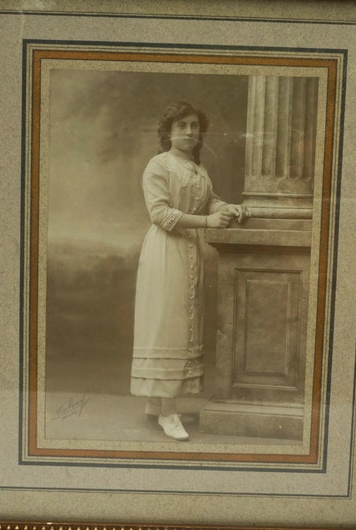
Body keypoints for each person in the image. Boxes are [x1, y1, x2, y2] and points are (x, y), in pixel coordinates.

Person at [131, 101, 247, 441]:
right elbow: (161, 214)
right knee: (167, 325)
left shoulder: (198, 169)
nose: (189, 132)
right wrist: (209, 222)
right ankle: (169, 412)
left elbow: (209, 201)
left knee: (183, 323)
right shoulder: (158, 165)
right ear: (168, 131)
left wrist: (229, 208)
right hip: (165, 251)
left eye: (194, 126)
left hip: (189, 251)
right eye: (181, 126)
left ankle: (157, 404)